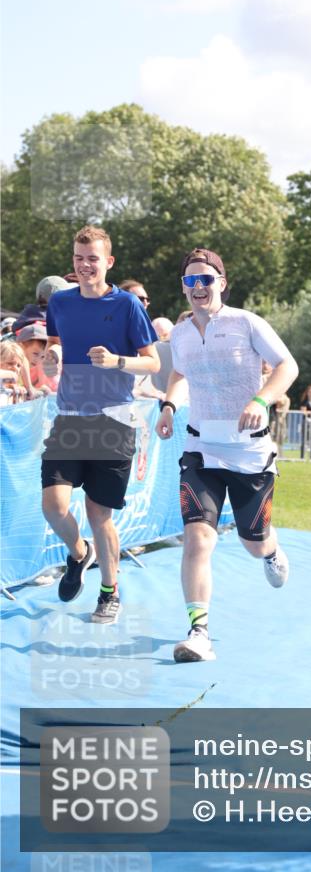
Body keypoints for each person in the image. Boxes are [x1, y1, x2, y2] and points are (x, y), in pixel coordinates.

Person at [155, 247, 298, 664]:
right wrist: (168, 405)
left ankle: (271, 550)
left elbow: (287, 365)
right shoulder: (180, 334)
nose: (198, 288)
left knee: (253, 543)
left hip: (250, 452)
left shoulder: (246, 323)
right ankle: (199, 632)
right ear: (183, 287)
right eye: (190, 281)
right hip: (201, 448)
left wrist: (261, 398)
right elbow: (179, 374)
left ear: (222, 283)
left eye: (206, 280)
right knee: (199, 537)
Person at [41, 225, 159, 625]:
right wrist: (52, 356)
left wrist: (117, 361)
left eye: (93, 258)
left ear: (108, 262)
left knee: (98, 514)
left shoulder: (128, 305)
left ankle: (109, 592)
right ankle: (79, 553)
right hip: (69, 418)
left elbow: (153, 362)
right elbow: (56, 343)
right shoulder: (59, 302)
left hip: (114, 421)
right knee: (54, 508)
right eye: (79, 258)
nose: (85, 264)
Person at [16, 322, 59, 393]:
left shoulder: (41, 368)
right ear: (21, 347)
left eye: (42, 356)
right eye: (35, 354)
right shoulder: (11, 364)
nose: (38, 359)